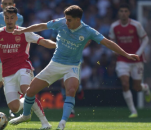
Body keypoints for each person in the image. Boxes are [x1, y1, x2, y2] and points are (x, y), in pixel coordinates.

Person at [9, 5, 139, 130]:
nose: (66, 22)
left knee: (71, 90)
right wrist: (23, 30)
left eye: (69, 20)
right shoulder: (61, 23)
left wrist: (126, 54)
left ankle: (62, 123)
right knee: (31, 91)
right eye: (66, 19)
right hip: (55, 64)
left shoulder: (88, 31)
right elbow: (42, 26)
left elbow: (108, 43)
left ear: (78, 20)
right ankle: (26, 115)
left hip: (72, 66)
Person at [0, 6, 55, 129]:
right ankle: (26, 113)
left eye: (12, 18)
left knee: (27, 90)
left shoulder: (24, 32)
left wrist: (57, 45)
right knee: (14, 108)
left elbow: (43, 41)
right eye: (7, 18)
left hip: (23, 67)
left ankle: (45, 123)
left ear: (16, 18)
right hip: (7, 73)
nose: (9, 20)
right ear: (4, 18)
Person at [109, 4, 151, 118]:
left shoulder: (136, 25)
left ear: (128, 13)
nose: (123, 13)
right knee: (124, 83)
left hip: (137, 59)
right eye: (121, 11)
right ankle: (133, 111)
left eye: (125, 11)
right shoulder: (114, 26)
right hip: (123, 59)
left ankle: (146, 88)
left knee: (136, 87)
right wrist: (114, 51)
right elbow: (112, 42)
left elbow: (145, 38)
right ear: (118, 13)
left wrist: (138, 52)